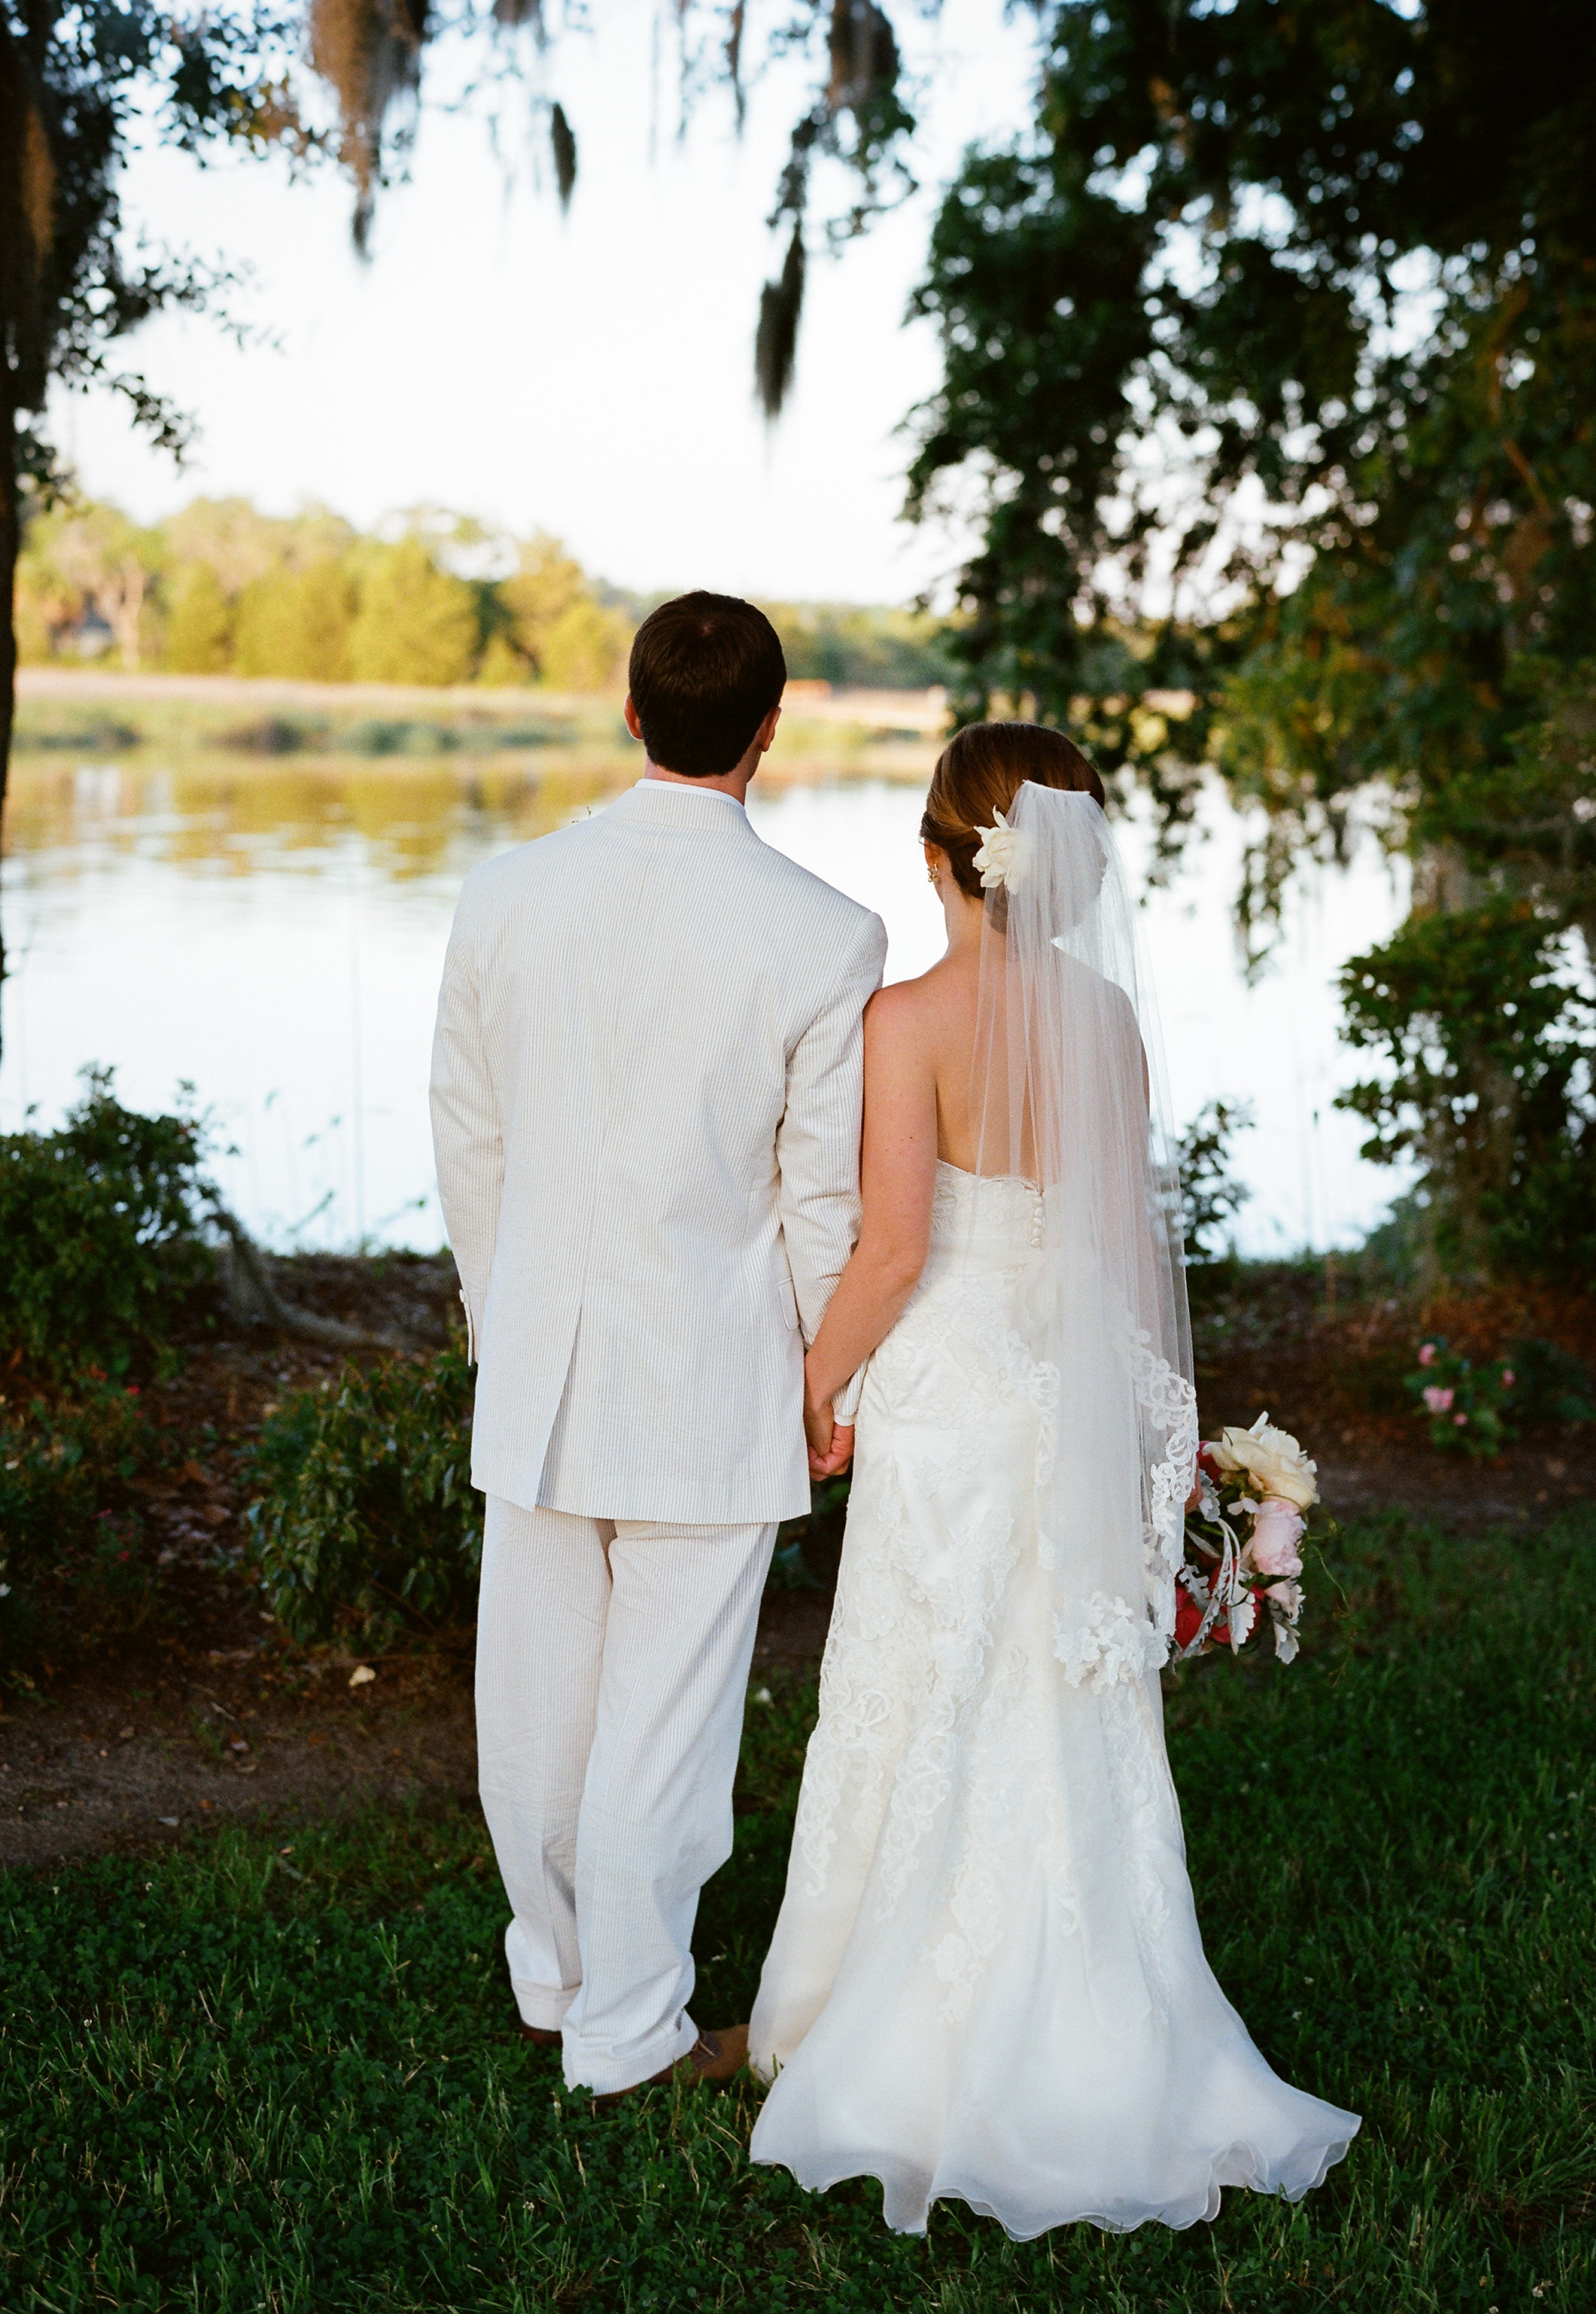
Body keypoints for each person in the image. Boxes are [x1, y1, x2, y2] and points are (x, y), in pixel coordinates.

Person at [749, 721, 1359, 2236]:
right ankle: (1107, 2013)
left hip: (948, 1390)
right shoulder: (1104, 1022)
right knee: (1053, 1688)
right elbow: (1110, 1253)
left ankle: (869, 2013)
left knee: (923, 1672)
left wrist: (809, 1383)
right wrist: (1151, 1440)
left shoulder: (907, 1019)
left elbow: (890, 1253)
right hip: (1060, 1382)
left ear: (939, 852)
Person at [429, 591, 884, 2099]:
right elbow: (819, 1201)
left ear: (632, 713)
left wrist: (508, 1329)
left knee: (535, 1703)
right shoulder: (826, 934)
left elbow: (468, 1143)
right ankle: (627, 2030)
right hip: (707, 1375)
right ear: (767, 731)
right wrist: (834, 1381)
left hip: (542, 1368)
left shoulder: (503, 893)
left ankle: (553, 1980)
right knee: (661, 1734)